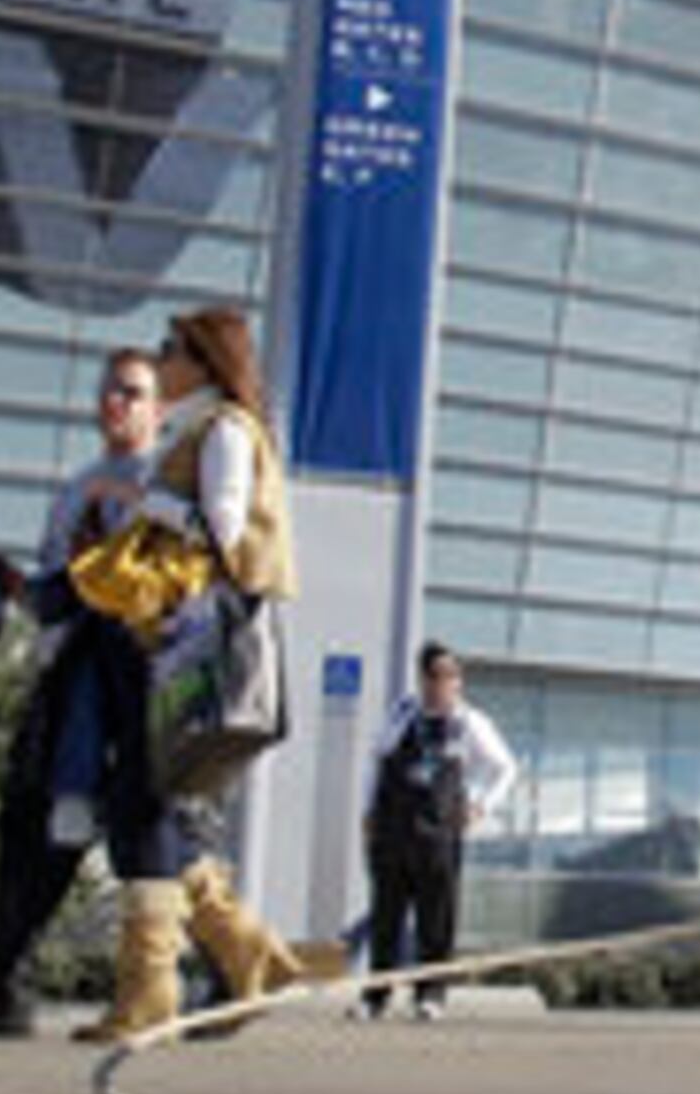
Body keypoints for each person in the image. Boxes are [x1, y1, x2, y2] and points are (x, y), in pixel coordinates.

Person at [67, 305, 339, 1042]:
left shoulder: (223, 429)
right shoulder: (201, 427)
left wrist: (144, 500)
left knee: (145, 800)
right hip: (162, 635)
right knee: (144, 802)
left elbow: (222, 527)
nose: (160, 360)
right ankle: (244, 950)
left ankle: (156, 986)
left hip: (183, 637)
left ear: (204, 359)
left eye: (170, 348)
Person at [0, 349, 163, 1038]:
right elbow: (61, 597)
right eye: (108, 390)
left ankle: (221, 970)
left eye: (133, 391)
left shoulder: (159, 487)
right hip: (69, 676)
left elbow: (142, 586)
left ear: (157, 408)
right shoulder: (78, 486)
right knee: (32, 828)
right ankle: (3, 986)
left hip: (130, 685)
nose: (116, 402)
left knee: (154, 844)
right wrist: (15, 588)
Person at [357, 641, 518, 1022]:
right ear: (422, 679)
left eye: (451, 676)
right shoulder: (402, 714)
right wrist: (368, 812)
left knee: (437, 918)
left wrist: (480, 805)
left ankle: (431, 994)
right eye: (435, 676)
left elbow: (505, 768)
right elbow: (376, 761)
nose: (443, 684)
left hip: (439, 834)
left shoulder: (470, 723)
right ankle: (376, 997)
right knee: (386, 917)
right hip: (394, 830)